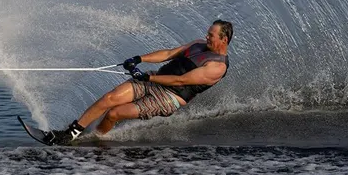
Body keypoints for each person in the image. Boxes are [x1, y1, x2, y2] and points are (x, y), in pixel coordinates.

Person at [45, 20, 232, 145]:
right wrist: (138, 59)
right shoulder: (198, 44)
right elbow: (168, 54)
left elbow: (180, 80)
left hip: (169, 97)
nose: (207, 37)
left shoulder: (217, 67)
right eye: (208, 33)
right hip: (155, 79)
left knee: (114, 113)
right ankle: (71, 133)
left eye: (211, 35)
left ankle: (96, 141)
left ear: (223, 39)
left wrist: (147, 78)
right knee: (111, 98)